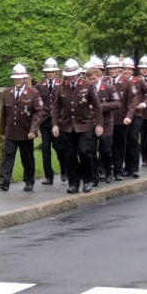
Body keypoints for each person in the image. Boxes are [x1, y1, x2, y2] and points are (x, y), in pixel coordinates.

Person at [52, 58, 101, 193]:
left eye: (74, 74)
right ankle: (73, 183)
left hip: (84, 125)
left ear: (78, 74)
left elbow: (97, 106)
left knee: (84, 152)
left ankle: (87, 180)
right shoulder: (61, 87)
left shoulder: (87, 85)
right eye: (69, 75)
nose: (72, 77)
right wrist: (55, 124)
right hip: (67, 126)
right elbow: (56, 107)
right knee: (70, 156)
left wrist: (99, 124)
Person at [0, 62, 42, 192]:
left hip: (26, 132)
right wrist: (2, 131)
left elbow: (38, 113)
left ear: (25, 78)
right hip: (11, 131)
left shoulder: (33, 93)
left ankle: (29, 181)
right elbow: (4, 114)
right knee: (8, 155)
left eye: (21, 78)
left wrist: (33, 130)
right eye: (16, 78)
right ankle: (5, 180)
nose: (18, 80)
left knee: (27, 158)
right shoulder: (7, 93)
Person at [87, 56, 120, 182]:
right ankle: (95, 175)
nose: (92, 81)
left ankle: (108, 171)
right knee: (91, 151)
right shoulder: (86, 88)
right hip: (91, 123)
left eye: (94, 79)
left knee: (105, 150)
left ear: (100, 76)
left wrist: (99, 107)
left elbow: (117, 103)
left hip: (106, 123)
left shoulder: (109, 88)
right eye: (89, 79)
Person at [115, 55, 142, 178]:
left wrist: (144, 103)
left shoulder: (138, 81)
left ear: (133, 70)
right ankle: (126, 168)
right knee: (124, 142)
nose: (127, 71)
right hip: (122, 116)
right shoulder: (119, 81)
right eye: (125, 69)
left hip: (135, 115)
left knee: (133, 140)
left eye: (129, 69)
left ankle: (134, 168)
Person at [36, 57, 61, 185]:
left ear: (56, 72)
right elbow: (37, 102)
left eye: (52, 72)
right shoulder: (40, 86)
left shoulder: (61, 84)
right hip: (45, 121)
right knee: (45, 149)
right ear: (45, 73)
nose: (50, 74)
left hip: (58, 121)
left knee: (59, 147)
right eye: (48, 72)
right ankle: (48, 176)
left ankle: (65, 169)